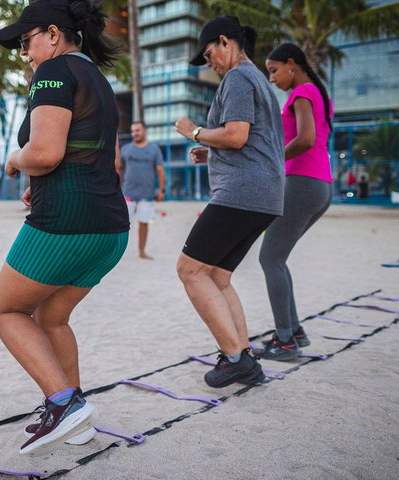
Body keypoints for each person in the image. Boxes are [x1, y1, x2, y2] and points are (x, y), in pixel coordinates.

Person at [0, 0, 129, 456]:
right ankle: (79, 420)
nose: (24, 53)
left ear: (53, 34)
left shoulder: (52, 73)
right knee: (51, 316)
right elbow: (101, 158)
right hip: (110, 227)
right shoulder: (99, 81)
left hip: (65, 224)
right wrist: (42, 185)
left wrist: (16, 161)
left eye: (26, 42)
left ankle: (63, 403)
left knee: (5, 310)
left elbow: (45, 152)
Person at [173, 16, 285, 388]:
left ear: (226, 42)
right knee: (218, 276)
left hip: (241, 192)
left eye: (209, 55)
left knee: (189, 270)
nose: (211, 65)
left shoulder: (238, 77)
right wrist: (210, 150)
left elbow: (236, 135)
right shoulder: (260, 82)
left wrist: (196, 132)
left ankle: (235, 357)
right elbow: (255, 140)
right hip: (264, 193)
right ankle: (244, 356)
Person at [257, 43, 334, 360]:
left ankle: (285, 341)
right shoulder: (319, 93)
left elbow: (306, 139)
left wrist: (272, 158)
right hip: (320, 185)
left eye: (274, 70)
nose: (272, 79)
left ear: (292, 64)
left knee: (269, 258)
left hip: (302, 183)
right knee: (278, 258)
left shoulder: (302, 92)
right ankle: (294, 333)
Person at [116, 122, 165, 259]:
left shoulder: (154, 149)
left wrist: (161, 190)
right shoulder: (126, 149)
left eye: (137, 130)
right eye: (132, 131)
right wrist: (117, 188)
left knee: (144, 224)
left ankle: (141, 252)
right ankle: (115, 253)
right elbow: (119, 168)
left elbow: (160, 170)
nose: (134, 133)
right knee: (121, 225)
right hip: (127, 194)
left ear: (144, 131)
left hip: (147, 195)